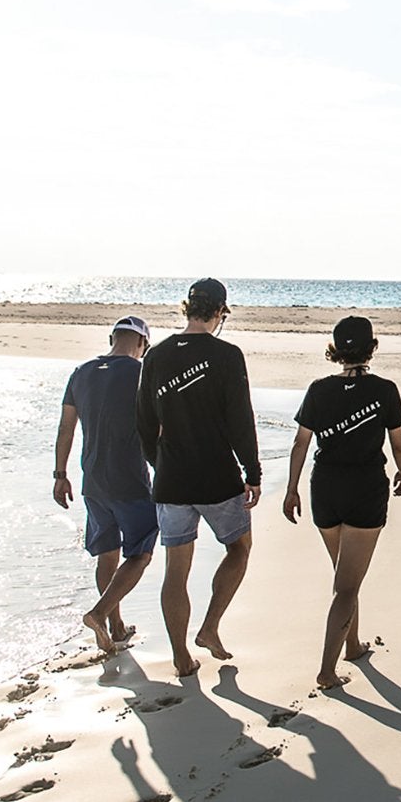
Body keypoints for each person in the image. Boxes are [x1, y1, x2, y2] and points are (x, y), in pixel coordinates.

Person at [136, 277, 262, 678]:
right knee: (239, 549)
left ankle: (180, 657)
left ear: (186, 308)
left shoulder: (156, 355)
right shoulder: (227, 354)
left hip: (172, 481)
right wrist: (252, 470)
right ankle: (208, 627)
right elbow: (240, 419)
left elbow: (143, 422)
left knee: (176, 569)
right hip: (216, 476)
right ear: (220, 312)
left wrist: (160, 464)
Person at [282, 315, 401, 690]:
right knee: (347, 586)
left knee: (344, 575)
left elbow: (300, 444)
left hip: (325, 490)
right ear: (371, 347)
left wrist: (291, 490)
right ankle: (326, 670)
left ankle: (352, 644)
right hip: (365, 491)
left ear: (335, 350)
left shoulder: (319, 390)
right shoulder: (385, 390)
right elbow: (398, 442)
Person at [54, 315, 157, 656]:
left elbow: (66, 428)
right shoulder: (140, 372)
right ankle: (99, 614)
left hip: (92, 480)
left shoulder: (81, 373)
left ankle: (115, 625)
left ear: (112, 337)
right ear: (142, 343)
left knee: (107, 554)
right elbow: (157, 427)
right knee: (140, 553)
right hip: (128, 477)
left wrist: (60, 475)